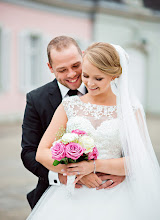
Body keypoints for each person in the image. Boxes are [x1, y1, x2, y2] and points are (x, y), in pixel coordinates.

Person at [26, 42, 160, 220]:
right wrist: (79, 173)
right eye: (86, 75)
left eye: (98, 78)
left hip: (117, 195)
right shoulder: (69, 105)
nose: (89, 83)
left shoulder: (130, 110)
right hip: (72, 196)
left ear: (114, 75)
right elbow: (42, 153)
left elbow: (139, 159)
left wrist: (95, 166)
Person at [21, 36, 124, 209]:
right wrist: (69, 174)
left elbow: (133, 152)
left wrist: (122, 173)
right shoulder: (37, 99)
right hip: (59, 190)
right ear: (50, 68)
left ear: (83, 56)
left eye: (76, 66)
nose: (72, 74)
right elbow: (30, 152)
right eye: (62, 69)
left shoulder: (122, 102)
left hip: (112, 189)